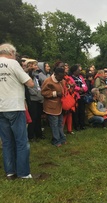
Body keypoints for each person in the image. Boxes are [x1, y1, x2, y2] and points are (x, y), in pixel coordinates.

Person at [0, 43, 34, 179]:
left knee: (7, 141)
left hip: (1, 108)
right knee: (21, 141)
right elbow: (30, 83)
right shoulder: (13, 63)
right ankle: (23, 173)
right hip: (14, 106)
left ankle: (10, 171)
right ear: (11, 53)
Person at [41, 67, 66, 147]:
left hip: (60, 106)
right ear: (55, 74)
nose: (61, 79)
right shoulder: (48, 81)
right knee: (54, 125)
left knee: (60, 123)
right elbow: (43, 92)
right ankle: (56, 141)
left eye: (62, 77)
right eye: (59, 77)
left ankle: (62, 139)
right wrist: (55, 93)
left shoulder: (61, 80)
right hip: (51, 106)